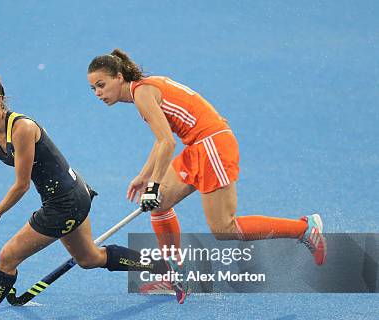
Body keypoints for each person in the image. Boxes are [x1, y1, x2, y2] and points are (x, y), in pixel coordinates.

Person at [0, 64, 177, 320]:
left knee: (7, 257)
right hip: (69, 196)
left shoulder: (22, 129)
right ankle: (161, 267)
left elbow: (21, 185)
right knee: (89, 258)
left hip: (66, 203)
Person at [86, 49, 327, 270]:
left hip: (213, 146)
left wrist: (154, 185)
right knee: (159, 204)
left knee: (224, 228)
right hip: (199, 146)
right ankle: (174, 273)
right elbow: (162, 139)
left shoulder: (142, 94)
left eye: (101, 85)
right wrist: (145, 175)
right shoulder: (143, 89)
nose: (98, 93)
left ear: (119, 77)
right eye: (93, 88)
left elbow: (167, 143)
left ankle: (304, 229)